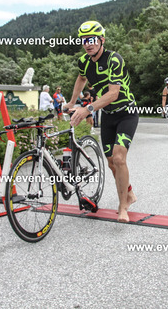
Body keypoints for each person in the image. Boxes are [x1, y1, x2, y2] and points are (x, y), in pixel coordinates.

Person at [64, 21, 138, 222]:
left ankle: (123, 206)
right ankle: (129, 192)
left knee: (119, 158)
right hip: (108, 116)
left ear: (101, 40)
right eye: (84, 41)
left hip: (127, 113)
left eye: (91, 40)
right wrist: (71, 101)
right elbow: (81, 79)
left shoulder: (114, 59)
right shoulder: (84, 62)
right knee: (112, 163)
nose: (88, 44)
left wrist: (87, 109)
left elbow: (113, 94)